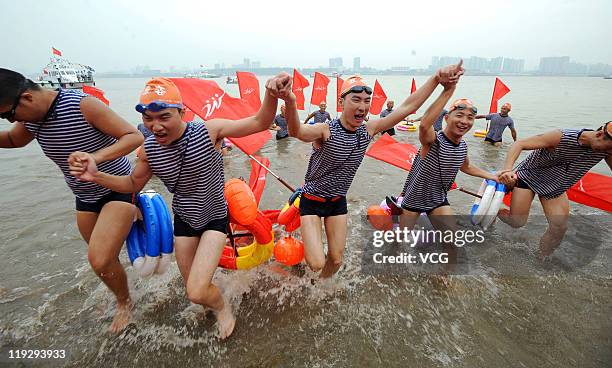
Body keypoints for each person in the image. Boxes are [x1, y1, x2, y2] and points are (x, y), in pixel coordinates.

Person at [69, 74, 292, 339]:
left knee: (196, 292)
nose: (155, 126)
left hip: (214, 219)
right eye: (148, 119)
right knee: (194, 291)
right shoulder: (149, 150)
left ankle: (223, 308)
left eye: (164, 117)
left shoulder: (210, 131)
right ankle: (212, 297)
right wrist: (96, 176)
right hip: (185, 222)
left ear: (182, 113)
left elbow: (259, 122)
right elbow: (132, 183)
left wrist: (270, 94)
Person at [285, 62, 464, 278]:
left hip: (337, 202)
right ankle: (303, 257)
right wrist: (290, 101)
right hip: (312, 200)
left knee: (336, 260)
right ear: (341, 102)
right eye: (356, 100)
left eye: (367, 101)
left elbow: (407, 107)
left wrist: (437, 79)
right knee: (315, 262)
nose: (362, 106)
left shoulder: (368, 130)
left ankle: (319, 287)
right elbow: (297, 131)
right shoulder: (325, 130)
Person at [0, 68, 144, 332]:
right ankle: (124, 287)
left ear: (27, 98)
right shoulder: (32, 120)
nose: (10, 121)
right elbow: (12, 140)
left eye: (8, 114)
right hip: (84, 195)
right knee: (104, 260)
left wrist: (95, 158)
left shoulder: (82, 105)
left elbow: (134, 136)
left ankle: (125, 303)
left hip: (117, 186)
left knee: (98, 259)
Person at [398, 87, 506, 280]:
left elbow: (467, 167)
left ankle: (443, 277)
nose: (464, 121)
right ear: (447, 118)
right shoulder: (433, 140)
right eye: (459, 115)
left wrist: (494, 176)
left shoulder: (463, 145)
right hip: (414, 199)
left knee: (453, 241)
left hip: (438, 200)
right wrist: (447, 91)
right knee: (400, 242)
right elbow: (424, 126)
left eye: (470, 118)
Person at [498, 122, 612, 259]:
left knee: (559, 227)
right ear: (599, 134)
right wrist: (508, 170)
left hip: (555, 186)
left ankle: (541, 259)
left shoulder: (608, 150)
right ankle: (494, 210)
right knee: (517, 222)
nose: (609, 153)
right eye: (608, 149)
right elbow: (519, 144)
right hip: (529, 177)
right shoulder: (561, 137)